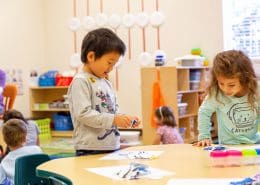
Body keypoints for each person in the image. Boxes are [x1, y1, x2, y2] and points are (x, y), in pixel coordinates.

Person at [68, 28, 140, 156]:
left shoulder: (105, 82)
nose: (111, 68)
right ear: (91, 56)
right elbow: (83, 114)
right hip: (90, 148)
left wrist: (125, 119)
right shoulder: (81, 81)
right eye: (109, 62)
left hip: (111, 145)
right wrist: (114, 119)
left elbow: (113, 111)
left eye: (114, 64)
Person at [196, 50, 260, 146]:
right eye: (221, 83)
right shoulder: (217, 93)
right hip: (228, 145)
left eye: (231, 85)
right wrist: (204, 136)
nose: (225, 89)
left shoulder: (256, 90)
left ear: (244, 79)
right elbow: (204, 112)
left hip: (254, 143)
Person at [0, 119, 42, 185]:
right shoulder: (36, 150)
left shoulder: (4, 162)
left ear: (5, 141)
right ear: (25, 138)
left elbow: (1, 182)